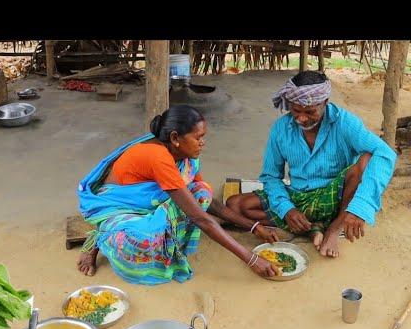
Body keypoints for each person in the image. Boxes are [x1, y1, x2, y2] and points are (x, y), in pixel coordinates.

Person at [76, 104, 280, 285]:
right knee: (143, 241)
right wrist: (251, 259)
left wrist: (254, 226)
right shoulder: (159, 157)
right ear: (175, 138)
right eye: (198, 137)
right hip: (119, 207)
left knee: (200, 191)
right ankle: (98, 238)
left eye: (203, 137)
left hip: (150, 202)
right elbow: (200, 218)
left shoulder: (184, 157)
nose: (203, 143)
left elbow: (205, 201)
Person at [226, 71, 397, 258]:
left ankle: (333, 228)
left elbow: (385, 153)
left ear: (325, 102)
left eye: (310, 112)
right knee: (235, 205)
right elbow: (270, 176)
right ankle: (312, 227)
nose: (301, 118)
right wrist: (287, 210)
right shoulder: (281, 129)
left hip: (335, 197)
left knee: (366, 160)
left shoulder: (344, 123)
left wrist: (360, 208)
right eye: (295, 111)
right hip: (298, 198)